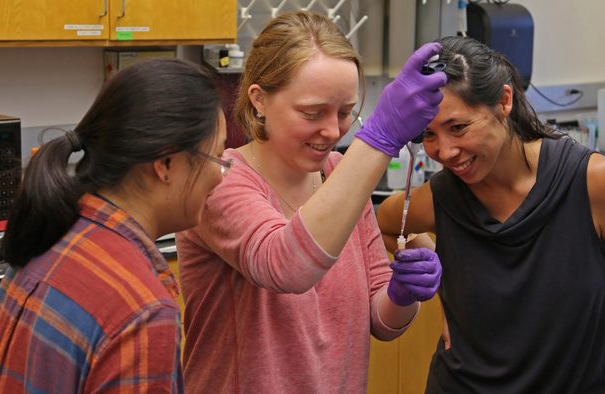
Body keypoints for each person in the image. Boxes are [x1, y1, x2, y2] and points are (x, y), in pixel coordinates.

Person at [376, 36, 605, 393]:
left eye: (458, 127)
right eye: (429, 134)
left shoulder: (594, 184)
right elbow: (383, 222)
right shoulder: (441, 197)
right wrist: (437, 276)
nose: (445, 151)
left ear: (504, 101)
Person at [175, 11, 445, 393]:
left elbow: (381, 323)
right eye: (312, 113)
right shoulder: (221, 182)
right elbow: (286, 266)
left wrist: (402, 295)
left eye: (345, 112)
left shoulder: (338, 174)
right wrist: (380, 137)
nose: (332, 130)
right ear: (259, 101)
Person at [0, 58, 230, 393]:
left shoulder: (48, 233)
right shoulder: (143, 311)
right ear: (167, 163)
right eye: (217, 156)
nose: (221, 174)